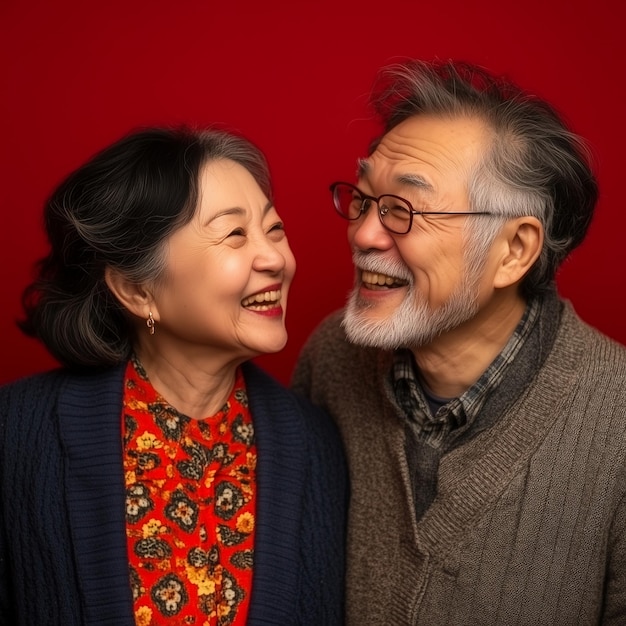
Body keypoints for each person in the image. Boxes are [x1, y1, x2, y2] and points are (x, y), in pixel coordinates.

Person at [293, 59, 626, 625]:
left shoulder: (614, 417)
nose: (364, 234)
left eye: (404, 209)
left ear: (515, 250)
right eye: (364, 198)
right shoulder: (332, 357)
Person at [0, 126, 347, 626]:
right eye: (235, 234)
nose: (276, 258)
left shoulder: (318, 447)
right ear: (137, 290)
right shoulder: (17, 437)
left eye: (275, 229)